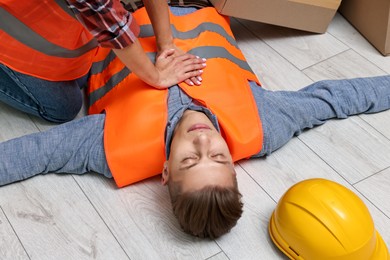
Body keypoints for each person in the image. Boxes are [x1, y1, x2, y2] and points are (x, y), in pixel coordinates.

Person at [1, 5, 390, 239]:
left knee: (59, 106)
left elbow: (34, 153)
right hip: (190, 4)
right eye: (218, 159)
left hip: (115, 16)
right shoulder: (267, 123)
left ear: (166, 171)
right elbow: (334, 100)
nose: (204, 143)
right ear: (235, 165)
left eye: (190, 160)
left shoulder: (109, 147)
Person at [0, 0, 205, 123]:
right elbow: (112, 27)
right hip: (7, 30)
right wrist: (156, 77)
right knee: (62, 107)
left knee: (80, 79)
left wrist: (166, 43)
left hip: (36, 21)